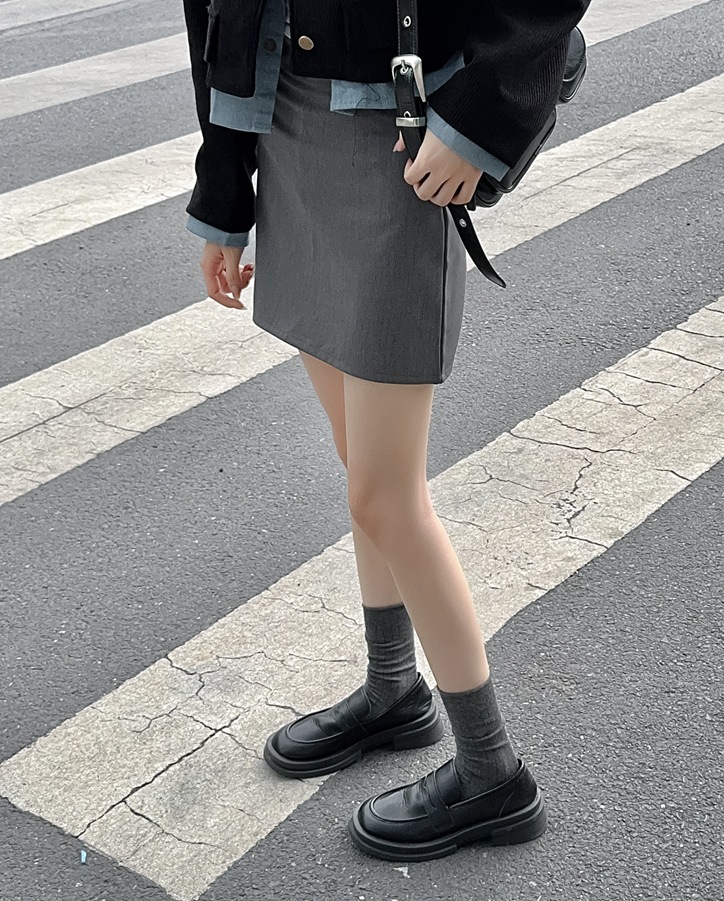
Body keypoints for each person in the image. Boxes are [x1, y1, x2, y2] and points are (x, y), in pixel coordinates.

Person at [182, 0, 590, 861]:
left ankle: (493, 773)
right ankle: (394, 689)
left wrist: (485, 112)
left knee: (384, 493)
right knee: (358, 466)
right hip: (280, 118)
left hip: (400, 135)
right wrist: (223, 187)